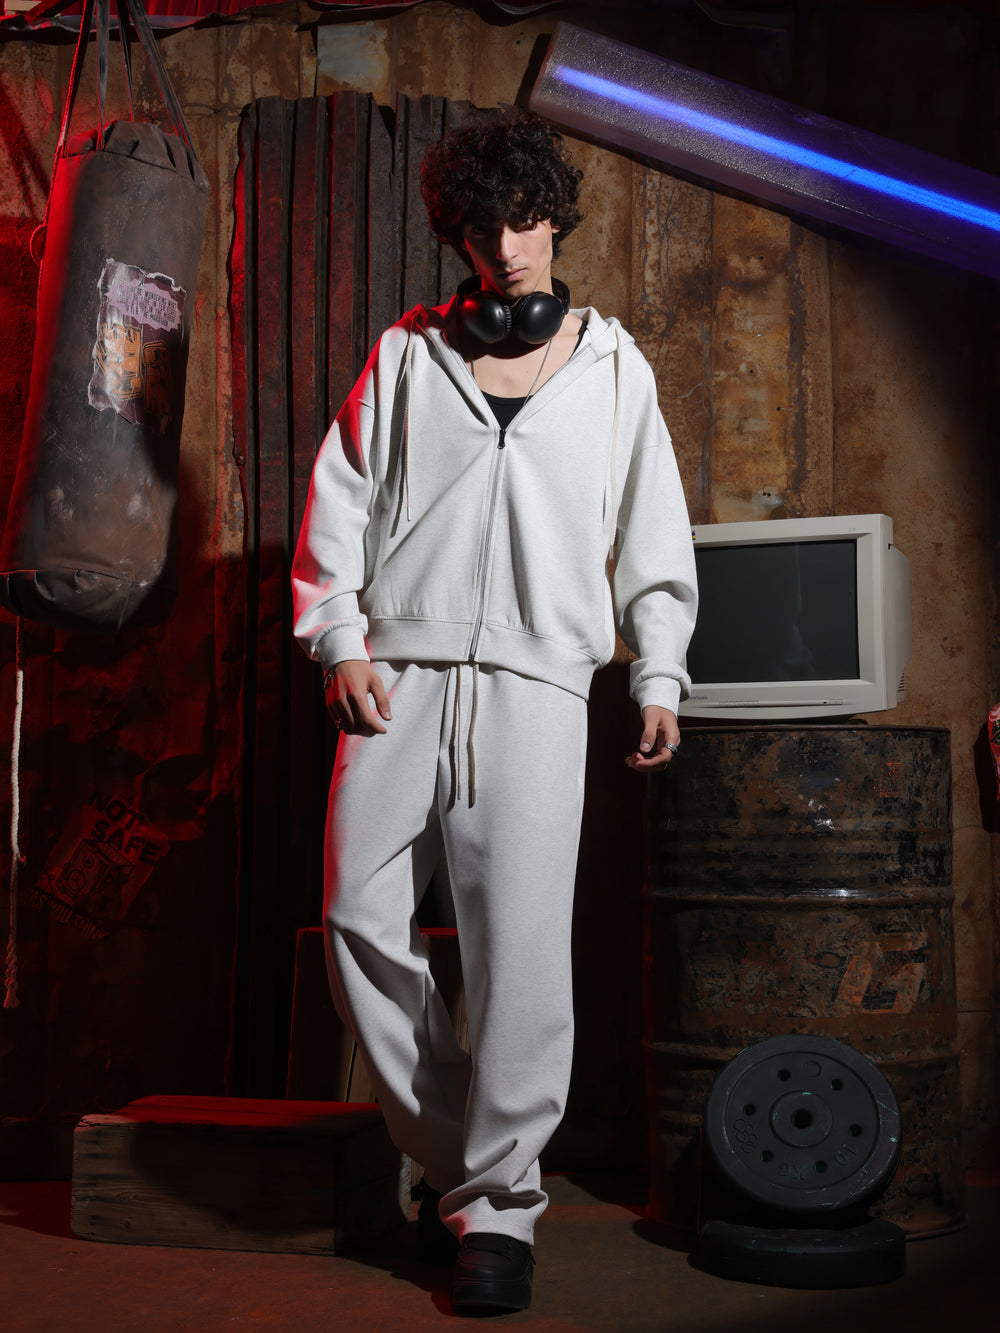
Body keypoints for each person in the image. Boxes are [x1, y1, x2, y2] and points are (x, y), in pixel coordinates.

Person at [291, 108, 697, 1315]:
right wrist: (337, 638)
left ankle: (500, 1208)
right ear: (457, 238)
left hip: (538, 687)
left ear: (555, 219)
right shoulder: (406, 355)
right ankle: (457, 1162)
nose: (507, 248)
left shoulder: (614, 369)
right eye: (483, 228)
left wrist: (658, 670)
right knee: (356, 915)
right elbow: (338, 502)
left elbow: (652, 529)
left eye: (524, 220)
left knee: (520, 949)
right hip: (397, 677)